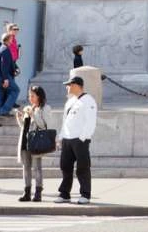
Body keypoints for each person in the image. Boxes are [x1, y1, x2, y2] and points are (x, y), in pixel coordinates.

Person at [57, 74, 98, 205]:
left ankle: (85, 194)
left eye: (69, 85)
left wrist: (83, 137)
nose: (67, 88)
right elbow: (65, 121)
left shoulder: (88, 100)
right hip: (67, 139)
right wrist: (61, 137)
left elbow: (90, 121)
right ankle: (64, 194)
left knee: (82, 168)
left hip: (80, 139)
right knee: (65, 167)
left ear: (75, 85)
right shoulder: (70, 101)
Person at [17, 84, 53, 202]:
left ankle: (38, 193)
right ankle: (26, 192)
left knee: (37, 168)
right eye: (29, 96)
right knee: (26, 167)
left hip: (36, 142)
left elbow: (44, 125)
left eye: (32, 96)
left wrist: (34, 115)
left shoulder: (45, 108)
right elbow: (24, 126)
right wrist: (19, 118)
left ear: (39, 96)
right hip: (25, 141)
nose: (30, 98)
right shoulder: (29, 108)